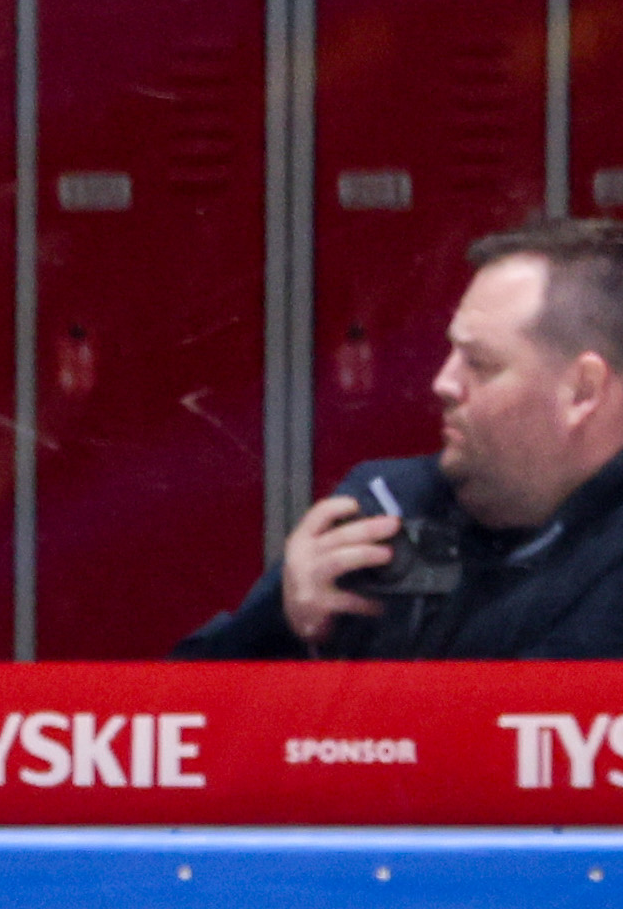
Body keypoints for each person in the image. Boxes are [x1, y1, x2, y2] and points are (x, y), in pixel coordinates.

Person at [177, 219, 623, 659]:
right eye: (452, 351)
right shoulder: (394, 506)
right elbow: (181, 699)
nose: (443, 382)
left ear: (582, 391)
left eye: (480, 363)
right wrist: (281, 622)